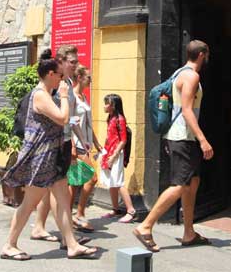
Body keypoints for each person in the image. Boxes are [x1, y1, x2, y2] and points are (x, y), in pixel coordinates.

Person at [0, 50, 98, 260]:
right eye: (59, 76)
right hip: (41, 159)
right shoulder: (40, 95)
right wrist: (63, 96)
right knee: (29, 204)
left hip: (51, 157)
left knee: (63, 201)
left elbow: (67, 120)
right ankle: (9, 245)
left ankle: (71, 244)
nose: (62, 80)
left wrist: (81, 136)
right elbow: (63, 118)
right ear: (50, 74)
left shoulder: (47, 94)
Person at [133, 40, 213, 252]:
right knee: (180, 184)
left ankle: (189, 232)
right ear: (203, 55)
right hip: (182, 138)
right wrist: (203, 139)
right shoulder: (191, 76)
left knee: (192, 182)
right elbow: (187, 110)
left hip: (184, 139)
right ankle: (145, 226)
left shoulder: (180, 72)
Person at [31, 44, 85, 240]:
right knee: (57, 191)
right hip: (55, 142)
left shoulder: (66, 83)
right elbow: (59, 117)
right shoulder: (55, 87)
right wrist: (70, 139)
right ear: (60, 61)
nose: (76, 65)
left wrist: (78, 135)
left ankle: (40, 227)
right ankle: (67, 237)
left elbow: (69, 116)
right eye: (72, 62)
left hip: (64, 139)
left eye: (76, 61)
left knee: (50, 190)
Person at [70, 64, 104, 229]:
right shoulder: (72, 98)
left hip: (85, 143)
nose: (90, 80)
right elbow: (69, 122)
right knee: (92, 178)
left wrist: (96, 143)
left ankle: (69, 216)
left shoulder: (83, 97)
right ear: (79, 78)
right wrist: (72, 146)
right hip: (77, 144)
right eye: (88, 77)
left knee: (75, 182)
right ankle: (79, 214)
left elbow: (87, 124)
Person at [100, 93, 137, 223]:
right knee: (112, 181)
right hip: (109, 151)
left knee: (119, 181)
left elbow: (123, 140)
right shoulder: (110, 118)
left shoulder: (119, 119)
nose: (104, 106)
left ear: (113, 105)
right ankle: (115, 208)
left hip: (116, 153)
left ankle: (131, 211)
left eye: (107, 103)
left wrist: (114, 155)